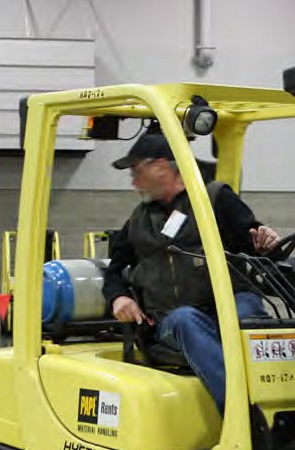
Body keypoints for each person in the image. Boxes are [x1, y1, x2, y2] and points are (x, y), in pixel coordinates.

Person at [102, 131, 280, 412]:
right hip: (172, 320)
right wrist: (119, 298)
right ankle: (242, 416)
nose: (133, 181)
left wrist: (265, 242)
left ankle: (288, 402)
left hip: (228, 304)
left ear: (161, 166)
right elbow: (113, 272)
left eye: (137, 171)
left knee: (244, 312)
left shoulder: (216, 198)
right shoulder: (138, 221)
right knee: (186, 320)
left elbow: (253, 242)